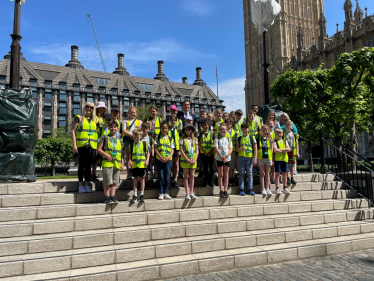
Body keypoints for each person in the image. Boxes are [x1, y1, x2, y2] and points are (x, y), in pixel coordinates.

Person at [72, 102, 97, 193]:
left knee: (88, 166)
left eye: (91, 107)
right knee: (81, 166)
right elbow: (73, 132)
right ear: (84, 108)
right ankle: (80, 184)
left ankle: (87, 184)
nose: (89, 109)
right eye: (87, 107)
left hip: (92, 146)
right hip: (81, 145)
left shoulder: (95, 120)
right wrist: (74, 145)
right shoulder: (79, 118)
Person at [97, 121, 124, 204]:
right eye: (111, 127)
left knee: (114, 181)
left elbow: (122, 153)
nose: (113, 128)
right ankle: (107, 197)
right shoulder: (104, 137)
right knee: (107, 181)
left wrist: (122, 163)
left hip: (117, 163)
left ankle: (112, 196)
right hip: (107, 163)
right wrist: (106, 155)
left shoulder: (120, 139)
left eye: (115, 127)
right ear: (108, 128)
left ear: (117, 128)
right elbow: (98, 149)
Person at [154, 123, 174, 199]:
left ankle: (166, 192)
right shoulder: (157, 138)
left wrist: (168, 157)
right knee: (160, 176)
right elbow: (155, 149)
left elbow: (172, 149)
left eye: (166, 128)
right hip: (160, 160)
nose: (164, 130)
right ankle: (161, 192)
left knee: (167, 177)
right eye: (163, 128)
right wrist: (161, 158)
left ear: (167, 129)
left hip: (168, 160)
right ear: (160, 129)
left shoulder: (170, 138)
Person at [129, 129, 150, 203]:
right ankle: (135, 195)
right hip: (134, 165)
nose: (136, 138)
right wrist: (129, 160)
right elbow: (130, 154)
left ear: (140, 136)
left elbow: (148, 153)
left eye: (137, 137)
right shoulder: (131, 145)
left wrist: (147, 160)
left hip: (142, 165)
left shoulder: (145, 144)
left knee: (142, 179)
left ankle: (142, 194)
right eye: (134, 137)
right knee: (135, 180)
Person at [237, 123, 257, 195]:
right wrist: (241, 149)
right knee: (241, 173)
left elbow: (255, 148)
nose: (244, 130)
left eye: (246, 128)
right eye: (243, 129)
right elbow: (236, 149)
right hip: (241, 158)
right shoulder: (239, 138)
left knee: (249, 173)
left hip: (250, 158)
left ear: (248, 129)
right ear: (241, 130)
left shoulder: (252, 137)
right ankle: (241, 189)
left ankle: (250, 188)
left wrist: (255, 159)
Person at [180, 124, 199, 200]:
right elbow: (181, 150)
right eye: (187, 129)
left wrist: (194, 159)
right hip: (185, 161)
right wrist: (187, 159)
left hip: (193, 160)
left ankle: (191, 192)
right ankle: (187, 193)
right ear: (184, 130)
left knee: (192, 176)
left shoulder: (195, 140)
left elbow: (197, 150)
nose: (189, 130)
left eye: (190, 129)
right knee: (186, 176)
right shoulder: (182, 139)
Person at [123, 107, 142, 180]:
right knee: (128, 156)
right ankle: (128, 173)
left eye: (134, 112)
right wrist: (132, 136)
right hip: (128, 139)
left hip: (136, 140)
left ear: (136, 113)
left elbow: (141, 131)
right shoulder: (125, 121)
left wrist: (136, 136)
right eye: (131, 112)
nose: (132, 114)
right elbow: (124, 131)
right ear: (128, 113)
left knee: (136, 155)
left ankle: (135, 172)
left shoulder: (140, 121)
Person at [214, 123, 232, 198]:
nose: (222, 130)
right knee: (220, 174)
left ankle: (225, 190)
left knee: (226, 174)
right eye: (221, 129)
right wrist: (221, 155)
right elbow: (216, 148)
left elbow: (231, 149)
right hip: (219, 158)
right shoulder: (217, 138)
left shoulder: (228, 139)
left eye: (224, 129)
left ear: (227, 130)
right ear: (219, 130)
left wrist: (226, 155)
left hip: (227, 158)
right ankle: (221, 190)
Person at [144, 105, 162, 178]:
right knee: (150, 156)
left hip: (157, 140)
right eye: (151, 111)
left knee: (156, 156)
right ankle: (151, 172)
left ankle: (156, 172)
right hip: (149, 140)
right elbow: (143, 129)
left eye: (154, 111)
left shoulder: (160, 120)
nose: (152, 112)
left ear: (156, 112)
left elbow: (163, 130)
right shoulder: (146, 119)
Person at [93, 101, 108, 180]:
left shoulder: (103, 118)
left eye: (103, 108)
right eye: (100, 108)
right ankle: (92, 173)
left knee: (100, 157)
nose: (102, 109)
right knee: (93, 157)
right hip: (94, 139)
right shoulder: (94, 117)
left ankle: (100, 173)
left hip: (102, 139)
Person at [273, 128, 291, 195]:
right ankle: (277, 188)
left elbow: (288, 149)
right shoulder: (275, 141)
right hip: (278, 159)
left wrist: (281, 150)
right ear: (275, 135)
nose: (280, 135)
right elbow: (276, 150)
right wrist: (284, 150)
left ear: (282, 134)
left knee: (284, 174)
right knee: (277, 174)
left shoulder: (285, 141)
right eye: (278, 133)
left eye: (281, 133)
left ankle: (285, 187)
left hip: (285, 159)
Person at [257, 125, 274, 195]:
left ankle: (268, 188)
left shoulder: (270, 139)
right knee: (262, 173)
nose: (265, 131)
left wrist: (272, 159)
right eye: (263, 130)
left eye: (266, 130)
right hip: (261, 157)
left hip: (268, 157)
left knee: (267, 173)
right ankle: (263, 188)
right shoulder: (258, 138)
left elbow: (272, 150)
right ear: (261, 131)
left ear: (268, 131)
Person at [198, 119, 215, 187]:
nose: (205, 126)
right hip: (204, 154)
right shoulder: (200, 134)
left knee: (211, 167)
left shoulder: (212, 134)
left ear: (208, 125)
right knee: (205, 168)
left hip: (211, 153)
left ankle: (211, 181)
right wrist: (204, 152)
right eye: (203, 125)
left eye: (206, 125)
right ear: (201, 126)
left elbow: (214, 144)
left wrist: (210, 152)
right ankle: (205, 182)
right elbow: (199, 144)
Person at [169, 115, 180, 189]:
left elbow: (180, 139)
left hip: (176, 148)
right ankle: (170, 180)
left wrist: (179, 150)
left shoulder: (178, 129)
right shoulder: (167, 129)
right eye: (172, 120)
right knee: (170, 165)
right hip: (169, 149)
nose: (173, 122)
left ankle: (175, 180)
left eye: (174, 120)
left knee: (176, 164)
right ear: (170, 121)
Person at [225, 118, 237, 186]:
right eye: (227, 122)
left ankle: (231, 179)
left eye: (230, 122)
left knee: (232, 166)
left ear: (232, 123)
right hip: (225, 152)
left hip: (233, 151)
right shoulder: (224, 131)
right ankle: (226, 179)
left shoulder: (235, 132)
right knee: (226, 166)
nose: (229, 123)